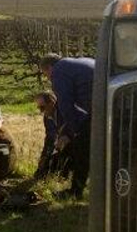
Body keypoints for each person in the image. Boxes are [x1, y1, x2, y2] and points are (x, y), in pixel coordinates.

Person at [39, 53, 95, 199]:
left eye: (46, 74)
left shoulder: (59, 72)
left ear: (50, 67)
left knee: (80, 148)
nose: (48, 78)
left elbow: (66, 105)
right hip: (108, 104)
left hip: (96, 108)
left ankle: (75, 192)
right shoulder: (82, 62)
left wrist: (72, 132)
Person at [33, 91, 67, 179]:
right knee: (42, 172)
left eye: (42, 107)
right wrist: (44, 158)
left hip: (74, 144)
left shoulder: (65, 112)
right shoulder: (47, 118)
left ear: (52, 103)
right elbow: (49, 138)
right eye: (38, 107)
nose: (41, 111)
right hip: (61, 145)